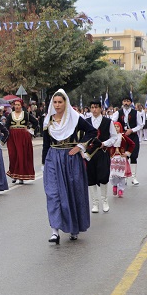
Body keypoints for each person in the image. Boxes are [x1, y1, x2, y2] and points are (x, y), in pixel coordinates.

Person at [42, 89, 97, 244]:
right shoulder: (48, 121)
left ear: (65, 103)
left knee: (72, 192)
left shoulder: (75, 118)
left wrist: (80, 146)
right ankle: (55, 231)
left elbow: (92, 131)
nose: (57, 105)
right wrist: (44, 164)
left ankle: (74, 228)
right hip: (53, 158)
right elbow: (46, 144)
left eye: (60, 102)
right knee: (53, 194)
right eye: (55, 102)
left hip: (71, 159)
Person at [84, 100, 118, 213]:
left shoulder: (108, 122)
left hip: (102, 152)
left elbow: (114, 137)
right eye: (92, 107)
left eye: (96, 107)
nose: (94, 109)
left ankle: (104, 201)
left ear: (101, 108)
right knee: (91, 177)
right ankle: (95, 203)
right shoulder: (86, 121)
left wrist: (104, 143)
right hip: (90, 154)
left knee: (103, 176)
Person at [4, 99, 38, 184]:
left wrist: (31, 130)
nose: (17, 106)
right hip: (12, 137)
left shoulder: (25, 114)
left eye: (18, 105)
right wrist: (5, 135)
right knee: (13, 155)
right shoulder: (10, 115)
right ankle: (14, 174)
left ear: (21, 106)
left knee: (21, 155)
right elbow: (6, 126)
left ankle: (21, 176)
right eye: (15, 105)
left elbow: (35, 122)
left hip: (23, 137)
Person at [112, 96, 143, 185]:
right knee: (123, 156)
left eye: (128, 101)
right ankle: (124, 177)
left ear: (131, 103)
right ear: (122, 102)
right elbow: (113, 122)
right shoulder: (118, 112)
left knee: (134, 156)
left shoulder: (135, 113)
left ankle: (133, 177)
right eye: (124, 101)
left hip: (133, 136)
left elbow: (140, 125)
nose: (126, 103)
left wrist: (132, 130)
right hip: (122, 137)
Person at [109, 122, 135, 198]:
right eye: (115, 127)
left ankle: (121, 189)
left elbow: (132, 144)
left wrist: (127, 153)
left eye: (117, 127)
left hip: (122, 158)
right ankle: (114, 185)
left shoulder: (123, 136)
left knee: (122, 175)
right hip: (113, 158)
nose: (116, 128)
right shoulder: (110, 136)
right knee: (113, 175)